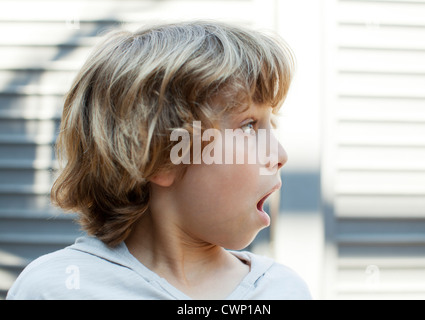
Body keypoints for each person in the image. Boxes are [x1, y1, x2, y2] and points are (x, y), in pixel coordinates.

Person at [7, 20, 311, 300]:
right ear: (161, 157)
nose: (280, 155)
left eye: (272, 124)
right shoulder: (57, 289)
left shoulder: (282, 290)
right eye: (249, 126)